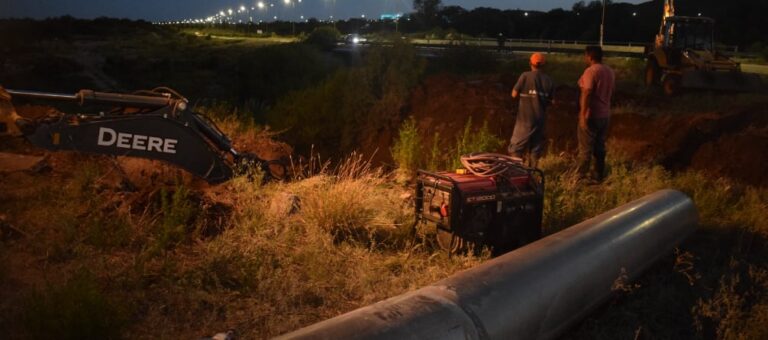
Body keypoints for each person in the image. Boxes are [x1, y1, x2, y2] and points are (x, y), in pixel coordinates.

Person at [508, 52, 555, 168]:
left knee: (515, 148)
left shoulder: (525, 76)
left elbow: (514, 94)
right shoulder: (549, 80)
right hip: (540, 120)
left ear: (530, 63)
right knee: (535, 149)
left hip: (525, 119)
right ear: (544, 65)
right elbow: (552, 102)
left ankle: (516, 173)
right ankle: (532, 176)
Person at [577, 46, 616, 182]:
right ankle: (598, 175)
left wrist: (583, 115)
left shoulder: (590, 71)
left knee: (585, 149)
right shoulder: (610, 71)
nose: (585, 58)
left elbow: (587, 91)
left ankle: (581, 177)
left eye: (585, 56)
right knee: (600, 147)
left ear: (590, 57)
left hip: (591, 115)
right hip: (605, 115)